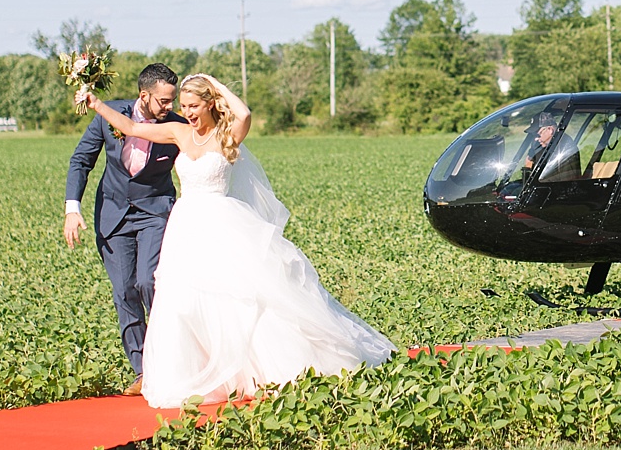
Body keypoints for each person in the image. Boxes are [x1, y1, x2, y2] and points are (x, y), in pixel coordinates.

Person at [87, 73, 394, 409]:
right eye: (183, 105)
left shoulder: (226, 134)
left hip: (222, 224)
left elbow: (244, 113)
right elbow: (131, 129)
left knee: (237, 296)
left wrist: (214, 84)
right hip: (186, 226)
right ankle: (201, 373)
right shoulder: (179, 132)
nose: (186, 111)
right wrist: (97, 104)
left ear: (208, 104)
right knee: (183, 299)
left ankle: (250, 370)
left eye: (193, 105)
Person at [66, 61, 185, 395]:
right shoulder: (111, 116)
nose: (169, 107)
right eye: (163, 101)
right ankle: (143, 371)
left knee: (149, 281)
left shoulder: (177, 125)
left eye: (172, 100)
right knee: (124, 292)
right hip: (113, 215)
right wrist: (71, 208)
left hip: (155, 212)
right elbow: (81, 161)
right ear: (143, 95)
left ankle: (170, 360)